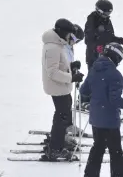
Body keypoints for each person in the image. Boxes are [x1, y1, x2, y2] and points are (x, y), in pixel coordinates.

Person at [80, 42, 123, 176]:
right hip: (109, 121)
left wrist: (98, 94)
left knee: (98, 148)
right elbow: (115, 100)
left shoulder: (94, 69)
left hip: (96, 119)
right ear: (116, 57)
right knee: (115, 152)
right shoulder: (115, 75)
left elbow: (84, 91)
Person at [42, 18, 83, 161]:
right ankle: (55, 148)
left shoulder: (58, 44)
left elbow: (61, 65)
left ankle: (58, 141)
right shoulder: (53, 47)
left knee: (63, 115)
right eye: (69, 34)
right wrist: (72, 77)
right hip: (57, 86)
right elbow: (52, 72)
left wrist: (72, 67)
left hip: (61, 86)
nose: (70, 37)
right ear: (62, 32)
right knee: (62, 116)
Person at [80, 0, 123, 108]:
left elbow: (110, 37)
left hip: (106, 53)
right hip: (93, 54)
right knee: (93, 77)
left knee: (103, 79)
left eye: (109, 13)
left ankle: (99, 99)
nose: (107, 15)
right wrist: (96, 47)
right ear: (99, 11)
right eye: (106, 13)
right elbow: (88, 40)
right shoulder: (92, 20)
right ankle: (83, 101)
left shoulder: (107, 21)